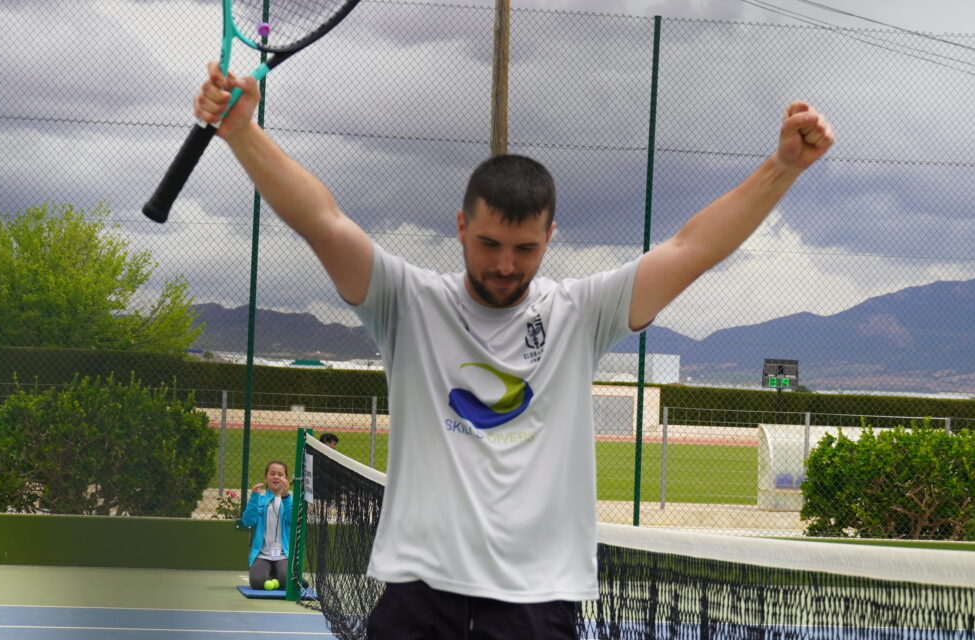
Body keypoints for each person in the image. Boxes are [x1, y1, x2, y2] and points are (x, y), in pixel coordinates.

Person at [193, 62, 833, 638]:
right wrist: (245, 132)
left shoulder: (579, 314)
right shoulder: (408, 304)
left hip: (537, 603)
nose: (505, 265)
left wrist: (783, 167)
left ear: (550, 235)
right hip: (419, 597)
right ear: (462, 226)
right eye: (490, 244)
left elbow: (691, 249)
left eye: (525, 249)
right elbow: (323, 219)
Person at [241, 460, 291, 590]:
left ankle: (279, 575)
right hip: (262, 554)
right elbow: (248, 521)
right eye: (272, 473)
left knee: (286, 580)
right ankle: (272, 575)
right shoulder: (260, 499)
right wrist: (254, 498)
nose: (276, 477)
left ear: (286, 478)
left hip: (283, 554)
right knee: (257, 583)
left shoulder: (291, 500)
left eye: (280, 474)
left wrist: (285, 497)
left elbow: (294, 519)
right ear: (266, 477)